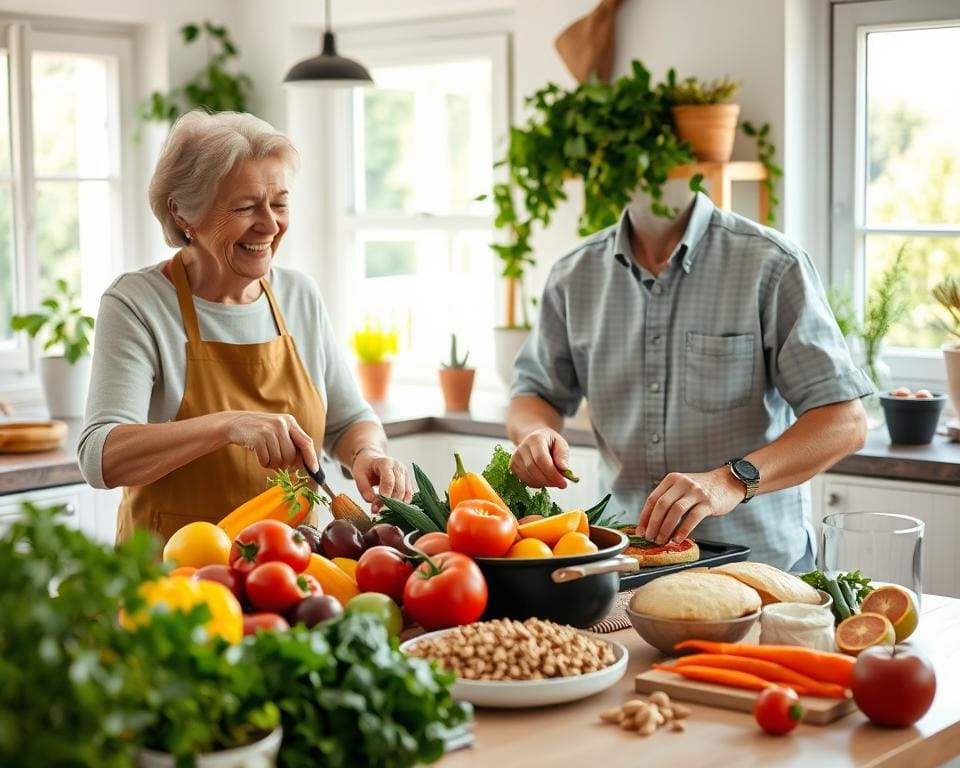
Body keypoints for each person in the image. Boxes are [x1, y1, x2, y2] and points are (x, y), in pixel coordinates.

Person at [79, 111, 411, 542]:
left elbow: (349, 421)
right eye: (246, 207)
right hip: (172, 586)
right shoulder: (137, 303)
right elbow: (100, 456)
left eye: (279, 204)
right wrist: (227, 425)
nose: (270, 225)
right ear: (184, 214)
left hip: (289, 577)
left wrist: (368, 452)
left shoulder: (299, 296)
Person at [506, 181, 872, 570]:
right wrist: (534, 433)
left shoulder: (771, 263)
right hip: (624, 567)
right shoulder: (573, 275)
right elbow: (534, 393)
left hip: (760, 571)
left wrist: (731, 481)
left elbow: (844, 422)